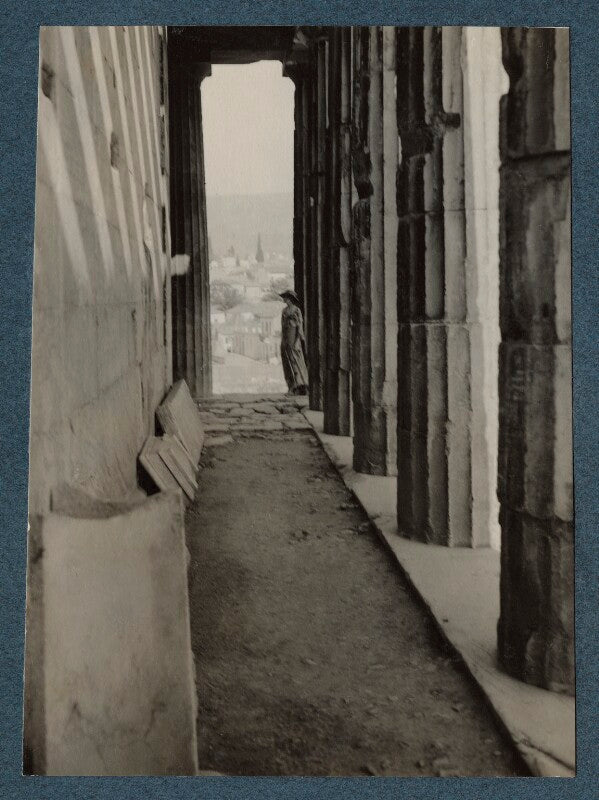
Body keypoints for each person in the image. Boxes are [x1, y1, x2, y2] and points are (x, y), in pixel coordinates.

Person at [278, 290, 309, 396]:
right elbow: (283, 327)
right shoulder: (284, 311)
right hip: (286, 338)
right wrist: (283, 340)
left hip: (294, 339)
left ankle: (302, 385)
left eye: (285, 297)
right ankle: (292, 386)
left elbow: (300, 326)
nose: (284, 299)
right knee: (288, 362)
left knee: (296, 361)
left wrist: (297, 341)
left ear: (290, 299)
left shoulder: (296, 310)